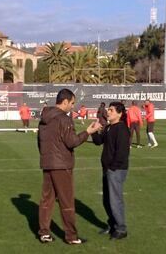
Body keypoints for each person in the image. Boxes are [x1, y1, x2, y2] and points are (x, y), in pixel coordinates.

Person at [37, 88, 101, 245]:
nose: (72, 106)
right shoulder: (64, 119)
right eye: (72, 103)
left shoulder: (44, 119)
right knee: (66, 202)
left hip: (47, 163)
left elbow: (40, 142)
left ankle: (44, 232)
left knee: (47, 200)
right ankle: (71, 236)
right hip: (62, 165)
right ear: (64, 101)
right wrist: (88, 132)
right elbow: (72, 142)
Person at [91, 102, 130, 240]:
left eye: (111, 110)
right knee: (106, 200)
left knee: (115, 200)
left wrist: (112, 167)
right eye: (108, 110)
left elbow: (122, 152)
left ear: (119, 113)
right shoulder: (109, 127)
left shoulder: (122, 129)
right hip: (107, 169)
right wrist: (94, 131)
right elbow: (98, 141)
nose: (108, 112)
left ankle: (121, 229)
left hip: (116, 170)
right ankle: (112, 224)